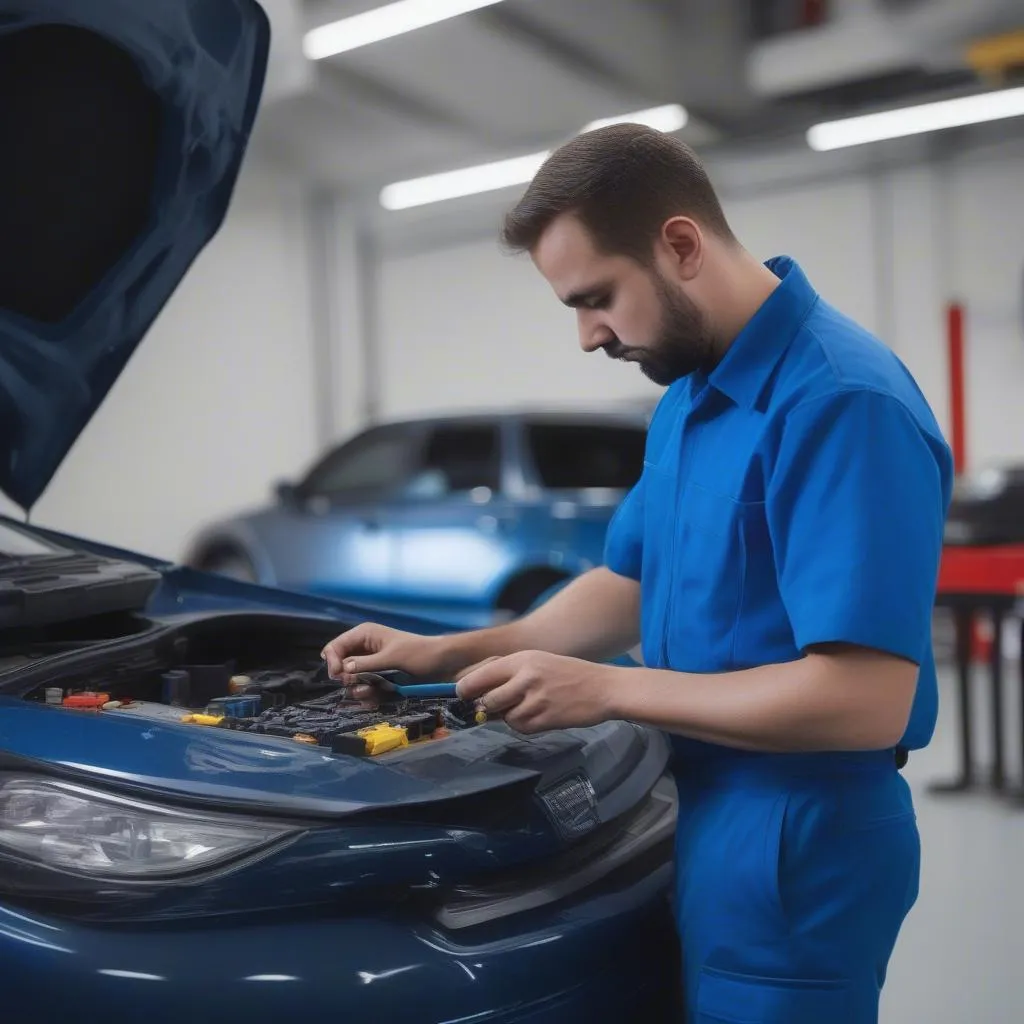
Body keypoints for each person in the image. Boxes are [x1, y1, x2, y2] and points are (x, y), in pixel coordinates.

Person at [322, 123, 953, 1023]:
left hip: (802, 831)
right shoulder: (691, 394)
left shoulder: (839, 402)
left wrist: (611, 692)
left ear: (681, 245)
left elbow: (865, 699)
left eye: (597, 298)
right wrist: (448, 651)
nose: (587, 336)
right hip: (702, 803)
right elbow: (632, 583)